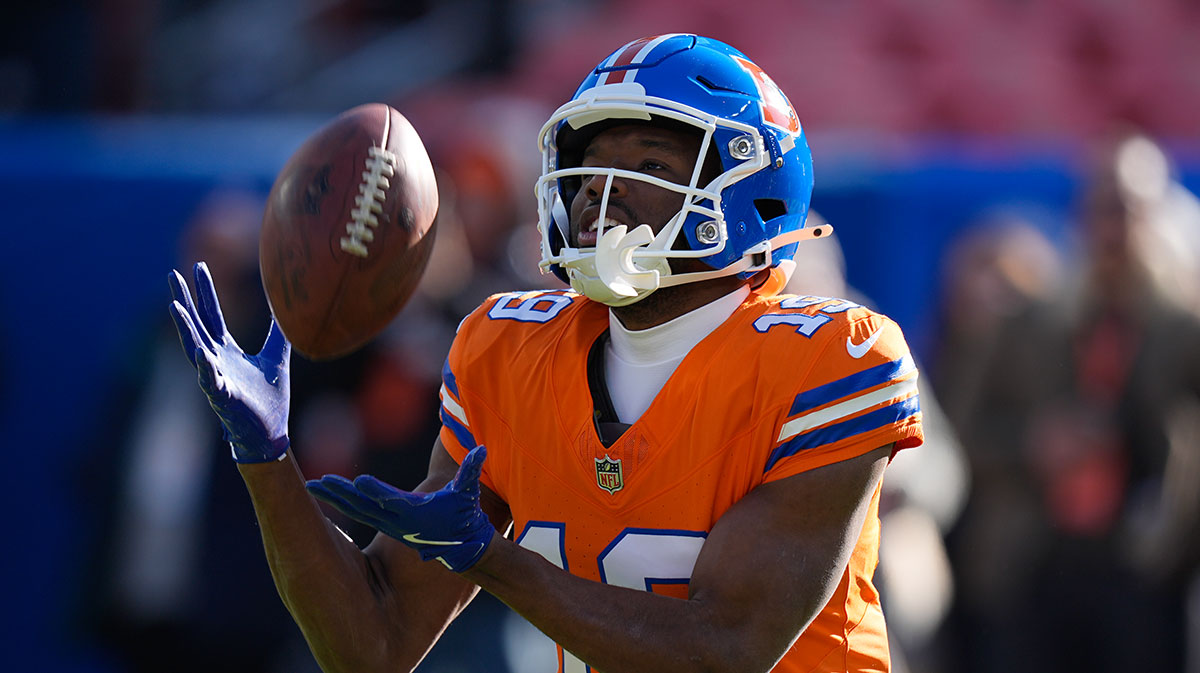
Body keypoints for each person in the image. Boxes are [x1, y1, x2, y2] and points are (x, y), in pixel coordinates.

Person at [168, 34, 924, 673]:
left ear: (751, 192)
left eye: (651, 166)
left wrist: (493, 559)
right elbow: (375, 642)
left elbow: (726, 644)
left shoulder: (831, 359)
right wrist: (267, 462)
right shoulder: (510, 348)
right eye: (591, 168)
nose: (601, 191)